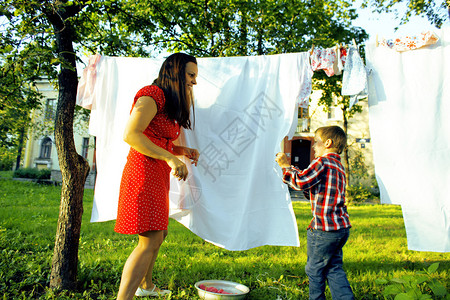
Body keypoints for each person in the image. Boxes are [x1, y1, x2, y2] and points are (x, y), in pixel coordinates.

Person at [114, 53, 200, 300]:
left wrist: (180, 151)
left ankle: (146, 286)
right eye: (190, 75)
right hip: (142, 171)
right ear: (175, 72)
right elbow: (132, 135)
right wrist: (171, 158)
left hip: (157, 173)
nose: (194, 81)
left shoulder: (168, 100)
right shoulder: (152, 94)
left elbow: (155, 139)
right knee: (149, 240)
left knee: (159, 234)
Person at [275, 125, 354, 300]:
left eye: (316, 142)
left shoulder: (322, 162)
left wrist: (286, 167)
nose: (313, 147)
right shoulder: (338, 166)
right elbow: (314, 188)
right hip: (341, 228)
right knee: (333, 267)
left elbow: (302, 181)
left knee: (314, 269)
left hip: (323, 230)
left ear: (327, 143)